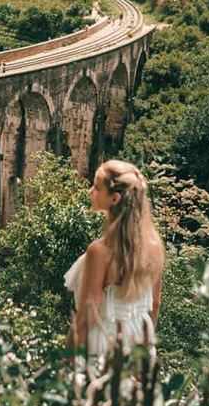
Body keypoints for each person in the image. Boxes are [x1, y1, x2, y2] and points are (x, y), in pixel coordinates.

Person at [65, 160, 165, 378]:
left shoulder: (100, 252)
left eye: (96, 187)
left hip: (104, 347)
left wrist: (68, 364)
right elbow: (155, 304)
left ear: (114, 198)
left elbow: (86, 316)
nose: (91, 191)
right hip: (139, 344)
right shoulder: (155, 247)